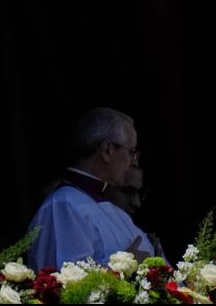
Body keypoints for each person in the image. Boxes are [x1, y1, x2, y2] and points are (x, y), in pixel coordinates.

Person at [28, 108, 157, 271]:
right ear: (107, 150)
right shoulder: (63, 205)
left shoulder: (112, 208)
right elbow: (63, 285)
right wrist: (126, 268)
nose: (135, 162)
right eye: (131, 152)